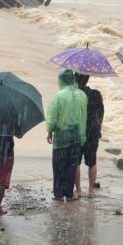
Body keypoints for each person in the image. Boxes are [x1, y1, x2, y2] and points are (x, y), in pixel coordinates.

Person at [46, 69, 87, 201]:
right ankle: (69, 194)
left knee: (59, 166)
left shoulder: (58, 96)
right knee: (71, 166)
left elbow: (53, 117)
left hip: (62, 135)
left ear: (61, 80)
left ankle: (58, 194)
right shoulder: (82, 95)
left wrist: (49, 131)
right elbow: (83, 116)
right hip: (77, 135)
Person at [74, 73, 104, 199]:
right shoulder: (96, 94)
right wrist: (99, 128)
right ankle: (91, 191)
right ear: (88, 79)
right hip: (93, 131)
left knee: (76, 162)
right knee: (92, 162)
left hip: (78, 131)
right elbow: (101, 115)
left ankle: (78, 190)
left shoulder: (75, 95)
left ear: (75, 79)